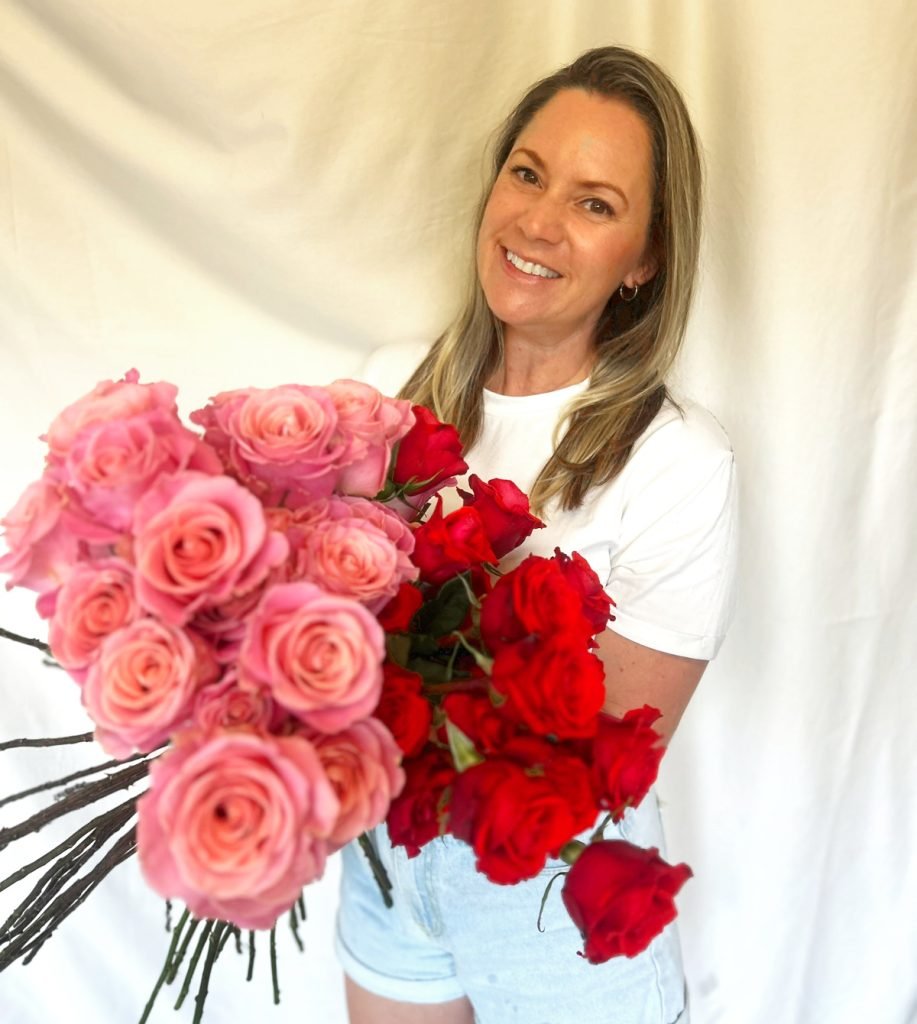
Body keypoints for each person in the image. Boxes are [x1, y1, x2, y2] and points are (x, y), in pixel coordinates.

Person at [336, 45, 737, 1024]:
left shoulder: (679, 463)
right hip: (388, 878)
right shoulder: (390, 391)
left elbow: (599, 763)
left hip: (554, 914)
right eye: (527, 172)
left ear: (644, 258)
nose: (537, 221)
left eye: (594, 203)